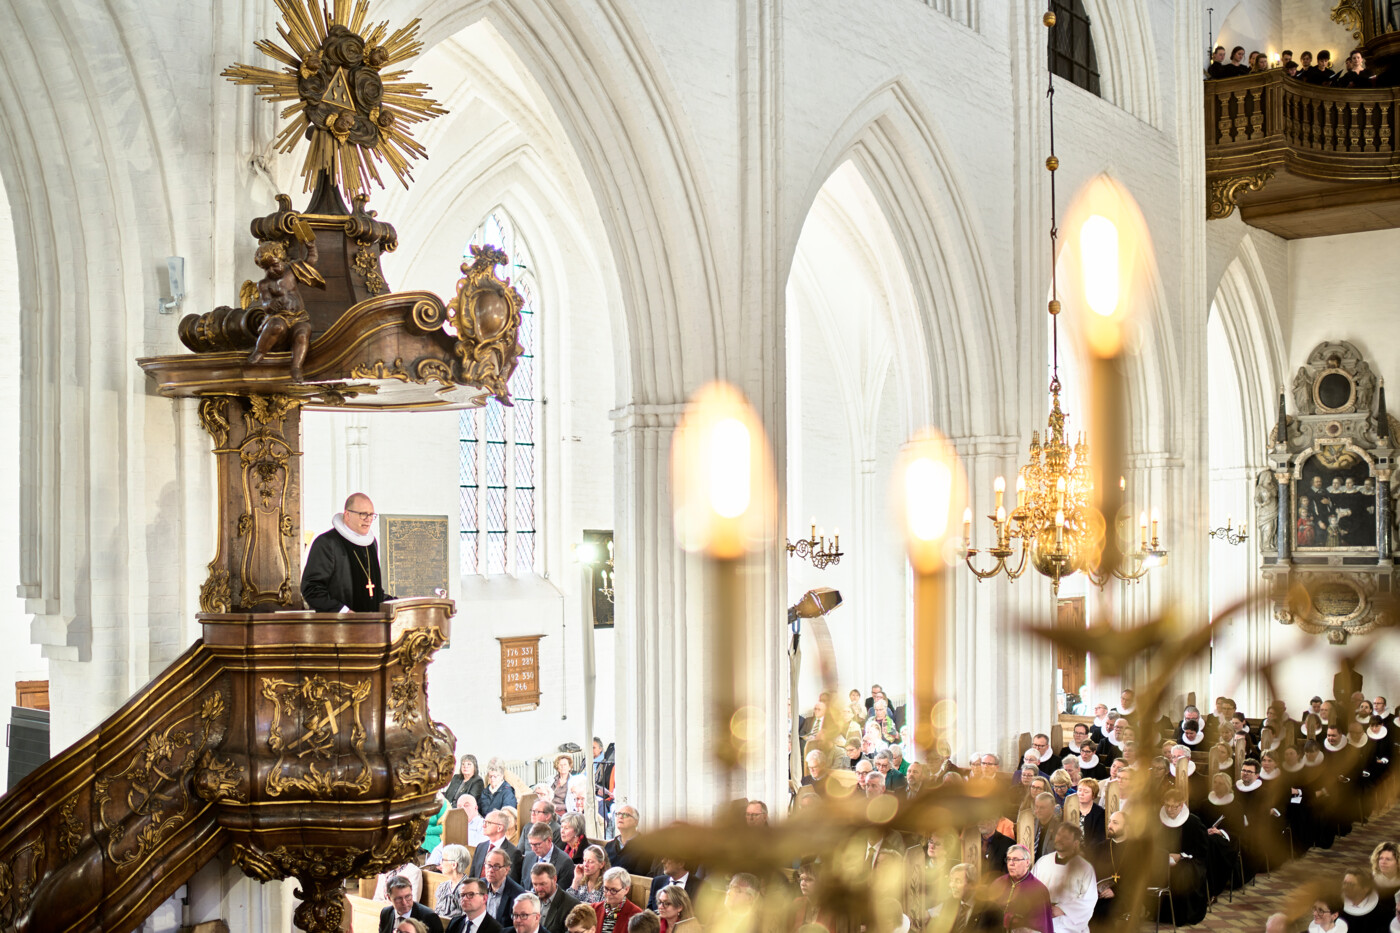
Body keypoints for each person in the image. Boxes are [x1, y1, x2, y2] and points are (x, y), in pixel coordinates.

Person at [245, 232, 318, 381]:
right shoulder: (264, 284)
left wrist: (311, 249)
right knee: (275, 326)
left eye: (274, 265)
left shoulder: (292, 272)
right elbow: (264, 304)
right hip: (280, 316)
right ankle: (260, 351)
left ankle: (296, 367)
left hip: (298, 317)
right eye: (266, 268)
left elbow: (310, 262)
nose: (271, 270)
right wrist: (270, 304)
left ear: (282, 259)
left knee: (303, 333)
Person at [301, 493, 391, 612]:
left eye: (371, 515)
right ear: (347, 515)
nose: (368, 519)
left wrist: (395, 603)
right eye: (363, 514)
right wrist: (343, 611)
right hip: (339, 625)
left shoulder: (371, 543)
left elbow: (372, 591)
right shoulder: (327, 543)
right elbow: (311, 589)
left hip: (371, 624)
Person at [1031, 823, 1097, 933]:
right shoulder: (1043, 862)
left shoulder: (1084, 868)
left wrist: (1062, 909)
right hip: (1042, 918)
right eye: (1059, 835)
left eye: (1065, 837)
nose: (1059, 839)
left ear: (1075, 843)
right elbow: (1031, 888)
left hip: (1068, 922)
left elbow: (1089, 900)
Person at [985, 844, 1055, 932]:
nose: (1011, 863)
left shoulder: (1039, 890)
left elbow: (1040, 927)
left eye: (1016, 859)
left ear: (1027, 863)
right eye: (1009, 859)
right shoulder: (998, 883)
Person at [522, 821, 577, 889]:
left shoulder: (564, 862)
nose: (533, 849)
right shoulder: (528, 858)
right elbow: (523, 886)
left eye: (537, 844)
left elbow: (561, 893)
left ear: (549, 840)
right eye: (531, 844)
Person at [380, 875, 445, 933]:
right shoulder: (386, 913)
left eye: (408, 896)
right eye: (399, 899)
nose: (404, 902)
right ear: (389, 897)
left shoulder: (429, 917)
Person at [531, 862, 582, 933]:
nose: (538, 888)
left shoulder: (572, 906)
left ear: (554, 879)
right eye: (535, 884)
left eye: (543, 884)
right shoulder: (530, 901)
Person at [485, 848, 529, 929]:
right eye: (489, 865)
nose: (491, 870)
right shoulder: (480, 886)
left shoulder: (518, 894)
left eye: (496, 866)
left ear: (506, 869)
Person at [472, 807, 521, 877]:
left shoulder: (513, 852)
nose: (483, 826)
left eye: (488, 823)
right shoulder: (481, 847)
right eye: (484, 822)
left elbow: (510, 882)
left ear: (500, 828)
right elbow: (473, 877)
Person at [606, 806, 649, 874]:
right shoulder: (609, 846)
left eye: (625, 815)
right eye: (618, 814)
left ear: (636, 822)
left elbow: (641, 874)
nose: (620, 817)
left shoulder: (645, 847)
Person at [435, 847, 472, 920]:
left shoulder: (468, 889)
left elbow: (466, 920)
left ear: (454, 865)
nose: (440, 863)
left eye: (443, 860)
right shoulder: (443, 886)